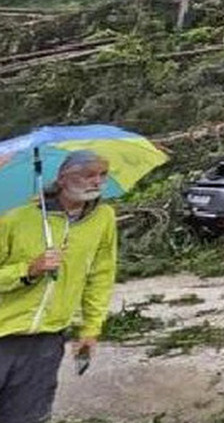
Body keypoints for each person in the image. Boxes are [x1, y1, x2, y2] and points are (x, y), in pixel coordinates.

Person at [0, 150, 118, 423]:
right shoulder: (15, 216)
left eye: (102, 175)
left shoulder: (103, 218)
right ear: (63, 179)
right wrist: (27, 271)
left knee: (27, 416)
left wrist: (90, 329)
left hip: (46, 339)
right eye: (88, 174)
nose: (97, 182)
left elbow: (100, 276)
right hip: (3, 331)